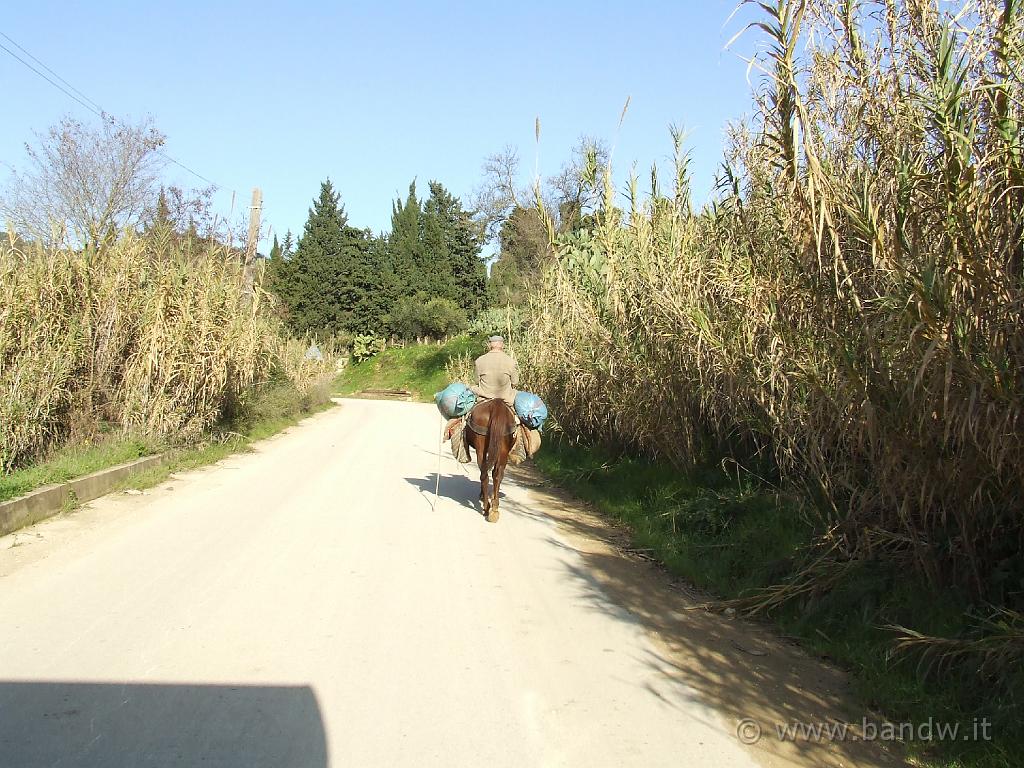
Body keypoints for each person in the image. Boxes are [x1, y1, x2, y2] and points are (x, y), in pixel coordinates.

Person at [471, 335, 518, 406]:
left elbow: (476, 381)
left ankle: (466, 415)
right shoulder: (510, 361)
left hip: (484, 398)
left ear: (490, 345)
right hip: (505, 399)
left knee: (471, 388)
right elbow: (515, 382)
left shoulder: (479, 360)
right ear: (502, 345)